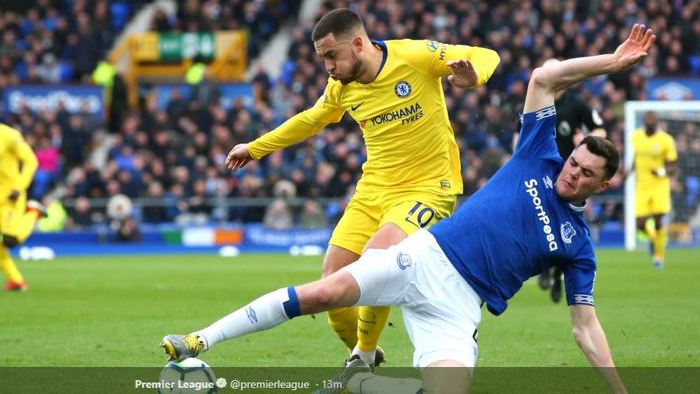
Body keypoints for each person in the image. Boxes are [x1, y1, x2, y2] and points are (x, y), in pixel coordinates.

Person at [162, 25, 654, 394]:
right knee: (329, 285)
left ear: (604, 184)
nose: (572, 173)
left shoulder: (578, 246)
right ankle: (204, 341)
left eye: (585, 174)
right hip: (422, 252)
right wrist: (610, 63)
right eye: (574, 162)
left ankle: (363, 380)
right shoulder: (537, 156)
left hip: (457, 299)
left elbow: (585, 327)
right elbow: (543, 77)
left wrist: (621, 391)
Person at [224, 7, 500, 366]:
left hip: (427, 187)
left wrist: (473, 76)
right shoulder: (341, 87)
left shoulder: (415, 56)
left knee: (378, 259)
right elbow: (311, 119)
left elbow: (487, 54)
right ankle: (364, 356)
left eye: (331, 56)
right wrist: (255, 148)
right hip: (373, 191)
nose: (328, 67)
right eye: (323, 58)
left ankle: (364, 353)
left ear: (357, 43)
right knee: (331, 284)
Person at [514, 76, 607, 303]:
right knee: (540, 221)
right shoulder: (535, 100)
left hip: (570, 178)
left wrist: (585, 139)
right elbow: (520, 135)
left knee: (563, 227)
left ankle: (556, 273)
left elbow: (601, 130)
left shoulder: (576, 103)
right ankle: (549, 270)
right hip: (540, 173)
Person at [0, 123, 47, 291]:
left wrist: (19, 187)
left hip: (9, 197)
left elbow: (31, 160)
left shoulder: (8, 135)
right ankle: (17, 281)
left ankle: (33, 212)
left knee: (11, 239)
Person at [629, 111, 678, 268]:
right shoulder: (636, 137)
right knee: (640, 224)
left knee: (658, 220)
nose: (650, 122)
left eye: (653, 119)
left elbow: (673, 168)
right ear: (644, 121)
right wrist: (626, 173)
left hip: (659, 186)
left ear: (657, 122)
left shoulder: (666, 140)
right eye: (647, 119)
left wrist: (661, 172)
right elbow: (637, 158)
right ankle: (653, 239)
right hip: (642, 185)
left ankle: (658, 255)